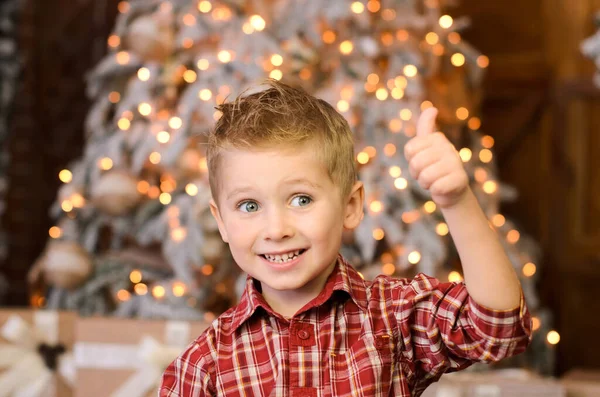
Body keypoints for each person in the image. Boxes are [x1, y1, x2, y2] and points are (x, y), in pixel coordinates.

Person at [159, 79, 531, 397]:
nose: (276, 229)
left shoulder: (395, 318)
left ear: (350, 205)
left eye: (300, 199)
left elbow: (498, 328)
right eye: (249, 206)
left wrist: (457, 201)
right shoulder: (204, 366)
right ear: (221, 221)